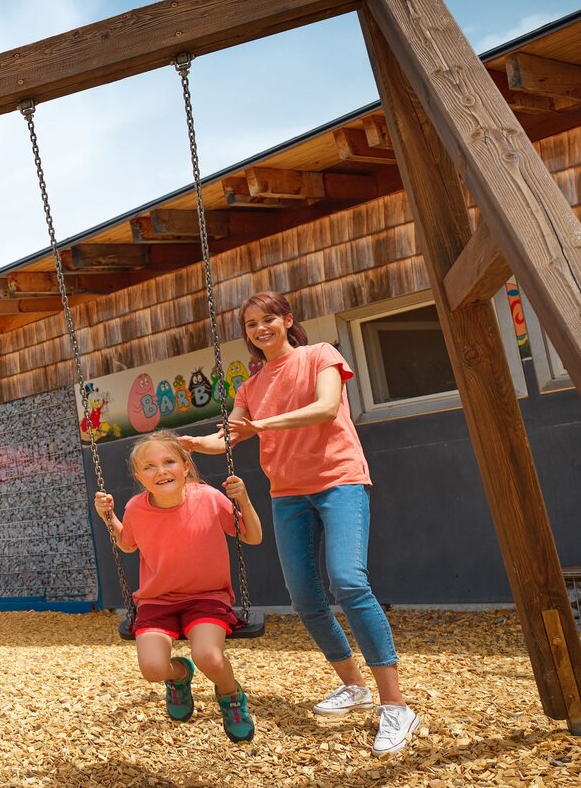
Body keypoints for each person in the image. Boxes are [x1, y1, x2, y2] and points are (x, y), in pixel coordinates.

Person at [183, 290, 421, 756]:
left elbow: (326, 408)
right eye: (251, 324)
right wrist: (190, 445)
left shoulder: (319, 355)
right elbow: (230, 435)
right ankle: (354, 687)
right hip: (287, 493)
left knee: (349, 582)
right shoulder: (250, 387)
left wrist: (262, 427)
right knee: (305, 598)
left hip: (339, 481)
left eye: (268, 319)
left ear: (287, 320)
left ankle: (395, 706)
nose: (260, 329)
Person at [95, 431, 263, 743]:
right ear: (138, 476)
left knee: (209, 656)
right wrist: (109, 517)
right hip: (157, 601)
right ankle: (180, 675)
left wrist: (244, 500)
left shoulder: (209, 498)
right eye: (149, 466)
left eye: (169, 461)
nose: (160, 471)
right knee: (153, 669)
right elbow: (127, 545)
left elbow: (252, 536)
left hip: (207, 597)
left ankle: (231, 696)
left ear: (185, 466)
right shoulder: (135, 508)